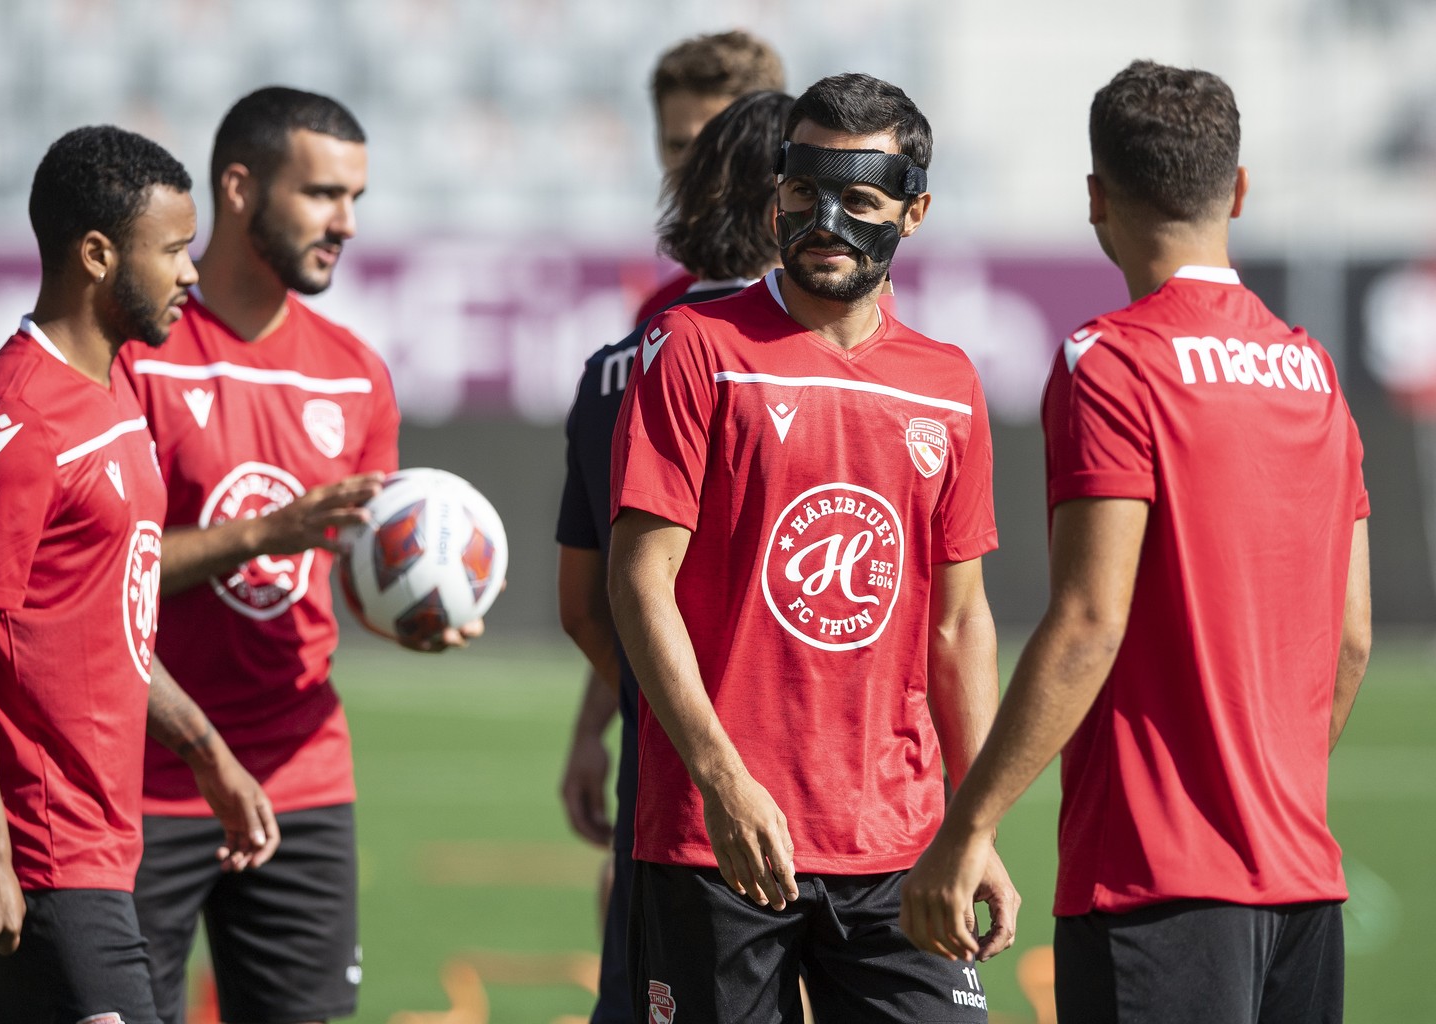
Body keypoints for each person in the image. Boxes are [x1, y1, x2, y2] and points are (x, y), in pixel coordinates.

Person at [903, 61, 1372, 1024]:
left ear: (1094, 198)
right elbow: (1351, 637)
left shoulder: (1110, 362)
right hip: (1299, 885)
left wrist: (969, 826)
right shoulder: (1314, 370)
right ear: (1238, 190)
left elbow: (1086, 623)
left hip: (1155, 886)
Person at [608, 73, 1019, 1023]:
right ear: (775, 192)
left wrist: (975, 826)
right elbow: (641, 581)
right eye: (803, 192)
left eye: (861, 199)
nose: (826, 220)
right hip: (721, 840)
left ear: (914, 212)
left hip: (899, 846)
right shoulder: (694, 347)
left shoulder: (948, 384)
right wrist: (721, 777)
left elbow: (960, 625)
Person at [117, 87, 475, 1024]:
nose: (346, 223)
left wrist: (417, 611)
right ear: (238, 189)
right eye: (321, 194)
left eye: (354, 198)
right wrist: (261, 534)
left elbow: (352, 565)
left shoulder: (356, 371)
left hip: (300, 775)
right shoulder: (138, 355)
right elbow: (88, 581)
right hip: (143, 776)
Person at [0, 124, 277, 1024]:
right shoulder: (15, 421)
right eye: (172, 252)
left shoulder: (113, 389)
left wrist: (209, 755)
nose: (191, 274)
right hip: (44, 864)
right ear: (96, 254)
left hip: (95, 847)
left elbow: (112, 624)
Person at [556, 89, 793, 1024]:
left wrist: (645, 705)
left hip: (673, 774)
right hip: (835, 774)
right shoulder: (836, 359)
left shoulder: (616, 362)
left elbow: (591, 602)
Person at [628, 29, 786, 326]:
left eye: (717, 147)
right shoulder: (659, 316)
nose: (696, 167)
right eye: (679, 146)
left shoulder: (836, 305)